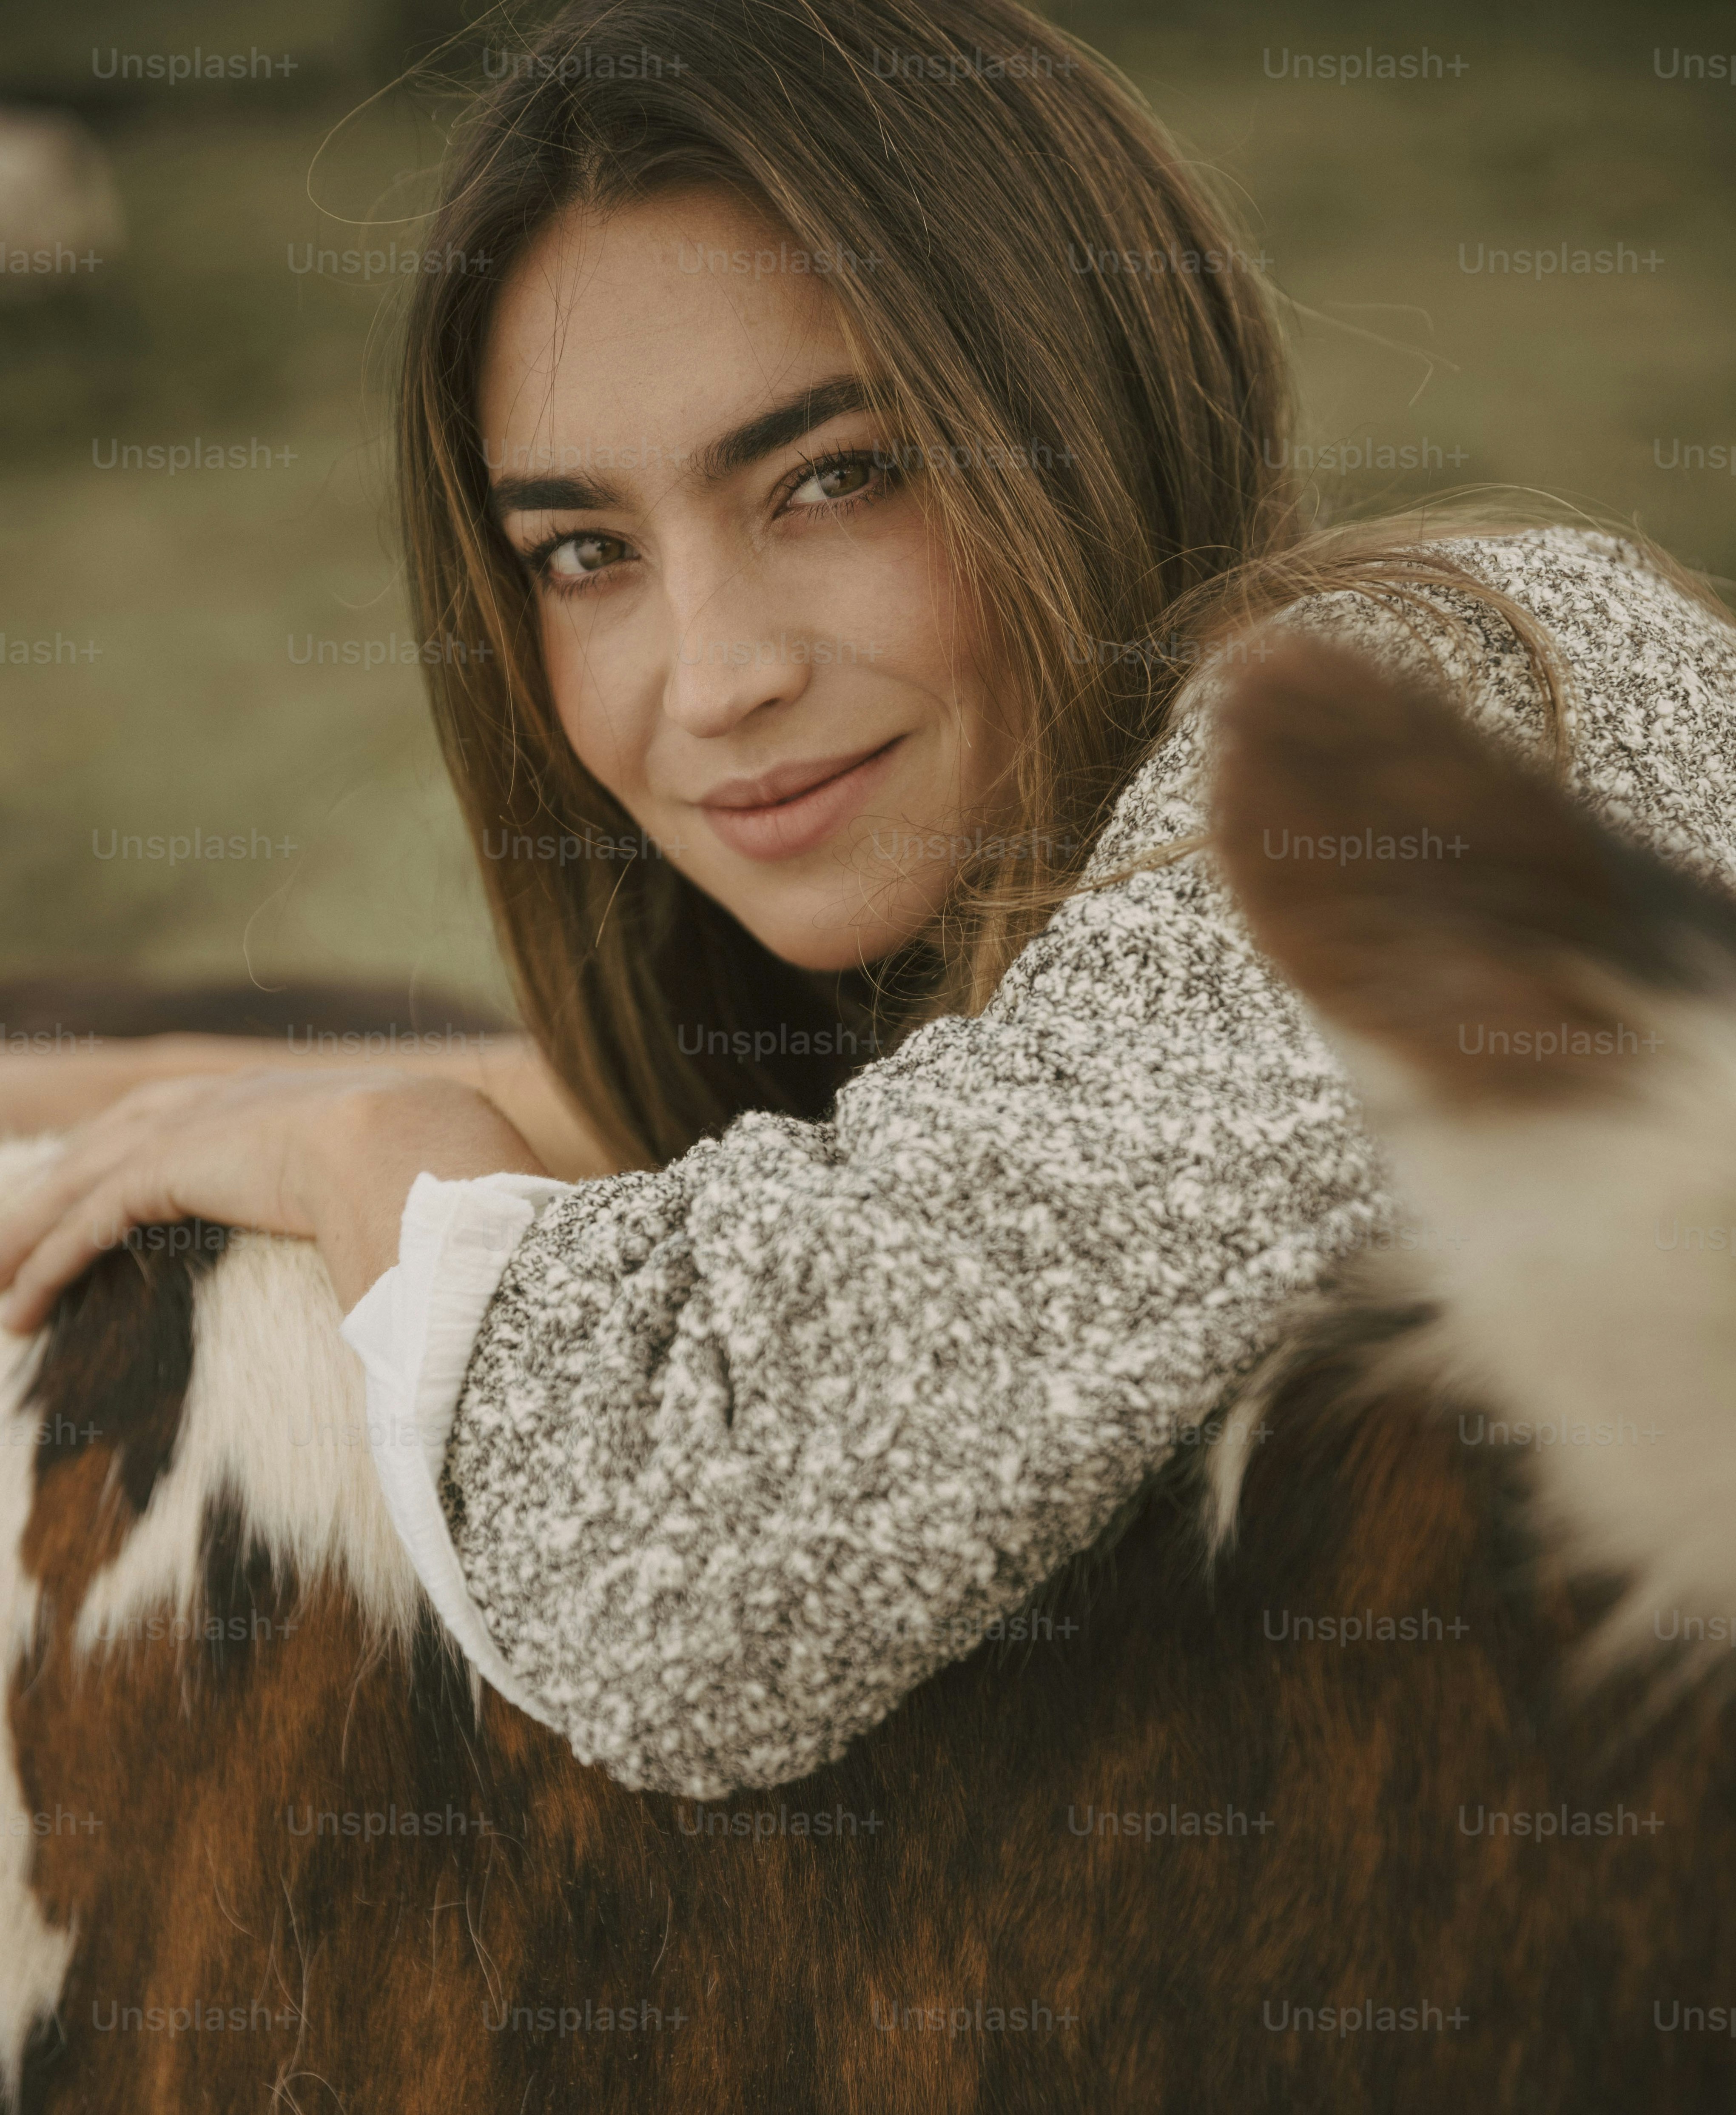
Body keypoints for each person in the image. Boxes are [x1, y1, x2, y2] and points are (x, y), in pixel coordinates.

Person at [2, 0, 1733, 1796]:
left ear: (1086, 406)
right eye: (583, 552)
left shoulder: (1466, 692)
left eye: (837, 476)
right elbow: (813, 1134)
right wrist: (126, 1091)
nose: (711, 677)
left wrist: (386, 1160)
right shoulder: (1049, 985)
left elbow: (701, 1586)